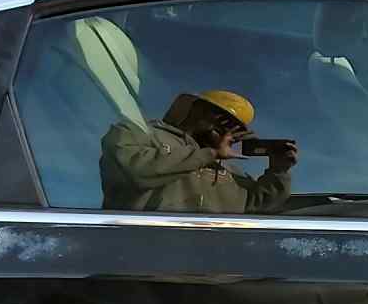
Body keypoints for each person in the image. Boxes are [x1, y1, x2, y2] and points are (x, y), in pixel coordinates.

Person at [100, 90, 298, 214]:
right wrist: (209, 154)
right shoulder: (137, 132)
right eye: (221, 117)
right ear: (195, 109)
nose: (225, 127)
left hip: (210, 263)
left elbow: (257, 208)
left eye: (234, 126)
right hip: (139, 258)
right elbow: (136, 171)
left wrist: (278, 171)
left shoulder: (229, 171)